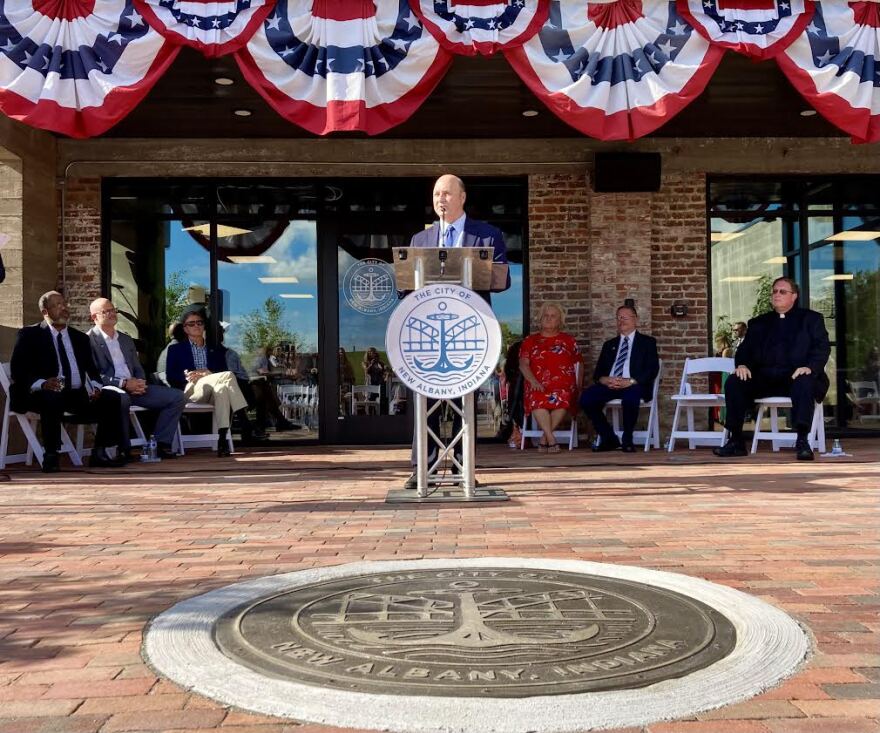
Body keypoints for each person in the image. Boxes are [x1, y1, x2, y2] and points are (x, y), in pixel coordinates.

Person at [404, 174, 510, 488]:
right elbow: (405, 288)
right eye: (436, 194)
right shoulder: (420, 241)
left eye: (447, 193)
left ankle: (465, 467)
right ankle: (423, 467)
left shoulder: (486, 235)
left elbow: (503, 280)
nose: (441, 199)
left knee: (466, 399)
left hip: (469, 330)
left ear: (462, 197)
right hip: (429, 332)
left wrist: (475, 270)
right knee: (426, 396)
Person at [714, 276, 830, 461]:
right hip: (765, 378)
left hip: (795, 376)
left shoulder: (811, 319)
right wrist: (742, 364)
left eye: (782, 291)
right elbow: (745, 350)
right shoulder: (759, 322)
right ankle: (736, 441)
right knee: (735, 382)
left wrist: (810, 367)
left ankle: (802, 441)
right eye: (775, 291)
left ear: (794, 296)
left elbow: (822, 347)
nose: (777, 295)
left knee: (805, 382)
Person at [10, 291, 127, 472]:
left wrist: (95, 387)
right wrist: (42, 383)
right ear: (45, 312)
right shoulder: (30, 335)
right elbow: (18, 371)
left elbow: (92, 371)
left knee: (112, 397)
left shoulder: (80, 338)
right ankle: (51, 454)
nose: (64, 308)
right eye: (57, 305)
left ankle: (100, 452)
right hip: (39, 394)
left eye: (65, 304)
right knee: (52, 396)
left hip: (75, 394)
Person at [88, 297, 187, 459]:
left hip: (135, 387)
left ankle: (159, 445)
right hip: (112, 390)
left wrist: (140, 382)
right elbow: (94, 375)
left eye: (114, 310)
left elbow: (137, 367)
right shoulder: (88, 341)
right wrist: (124, 383)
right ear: (94, 317)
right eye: (107, 311)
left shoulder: (126, 340)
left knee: (177, 397)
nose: (113, 314)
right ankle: (123, 449)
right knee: (121, 399)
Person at [165, 308, 258, 456]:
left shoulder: (215, 349)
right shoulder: (176, 349)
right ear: (185, 329)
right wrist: (188, 376)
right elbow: (171, 376)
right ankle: (244, 420)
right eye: (191, 324)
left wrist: (209, 373)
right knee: (227, 375)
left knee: (222, 388)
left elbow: (222, 374)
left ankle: (222, 440)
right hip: (191, 390)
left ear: (203, 326)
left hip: (212, 390)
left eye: (199, 323)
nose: (196, 326)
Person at [579, 304, 659, 453]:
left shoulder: (647, 342)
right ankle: (608, 437)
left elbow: (652, 369)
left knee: (630, 399)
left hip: (634, 384)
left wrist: (630, 381)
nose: (621, 320)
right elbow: (598, 374)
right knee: (587, 398)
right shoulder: (609, 345)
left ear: (635, 320)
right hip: (611, 384)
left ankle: (627, 439)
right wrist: (606, 380)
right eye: (618, 318)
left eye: (625, 317)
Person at [519, 304, 581, 453]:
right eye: (545, 316)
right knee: (536, 397)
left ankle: (544, 439)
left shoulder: (568, 341)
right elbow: (523, 364)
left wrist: (578, 386)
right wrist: (533, 381)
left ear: (560, 320)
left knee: (564, 396)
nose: (548, 319)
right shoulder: (530, 341)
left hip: (563, 385)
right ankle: (550, 439)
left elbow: (579, 363)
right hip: (537, 384)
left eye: (553, 316)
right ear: (540, 319)